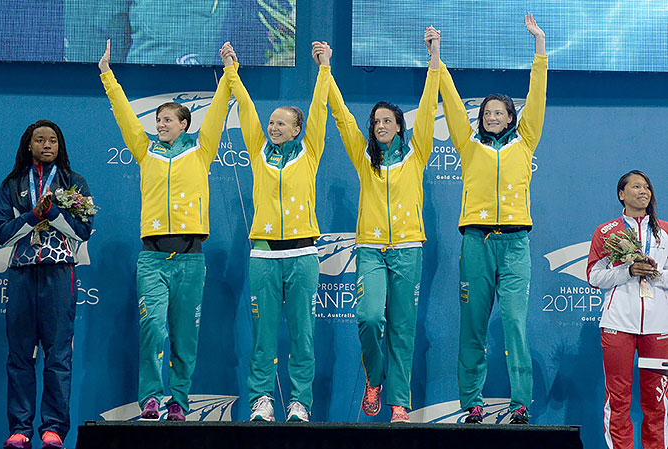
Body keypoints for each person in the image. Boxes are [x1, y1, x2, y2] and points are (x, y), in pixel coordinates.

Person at [98, 39, 231, 421]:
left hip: (190, 260)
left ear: (184, 124)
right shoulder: (145, 150)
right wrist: (108, 75)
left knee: (185, 340)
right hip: (152, 258)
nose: (160, 125)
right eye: (157, 120)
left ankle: (180, 402)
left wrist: (227, 73)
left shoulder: (202, 151)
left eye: (167, 120)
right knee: (153, 329)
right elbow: (125, 115)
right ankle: (152, 398)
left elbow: (220, 112)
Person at [319, 28, 440, 423]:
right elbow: (339, 117)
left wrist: (433, 59)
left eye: (387, 120)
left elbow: (429, 103)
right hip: (370, 249)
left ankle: (399, 403)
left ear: (400, 126)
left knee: (403, 331)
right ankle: (375, 380)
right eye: (375, 121)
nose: (380, 126)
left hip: (407, 250)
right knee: (371, 317)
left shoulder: (417, 153)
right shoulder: (363, 158)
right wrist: (327, 69)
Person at [434, 13, 546, 424]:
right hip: (475, 243)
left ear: (512, 117)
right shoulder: (468, 144)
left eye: (500, 112)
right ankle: (472, 403)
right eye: (487, 112)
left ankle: (520, 404)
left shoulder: (526, 140)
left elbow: (538, 96)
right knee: (473, 327)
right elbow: (448, 97)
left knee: (515, 324)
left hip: (515, 243)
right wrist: (438, 58)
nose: (492, 116)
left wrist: (539, 45)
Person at [219, 41, 331, 423]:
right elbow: (246, 110)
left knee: (303, 336)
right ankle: (262, 400)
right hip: (264, 255)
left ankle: (300, 402)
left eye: (281, 123)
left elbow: (320, 110)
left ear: (297, 129)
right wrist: (232, 70)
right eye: (271, 123)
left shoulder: (309, 151)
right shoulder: (258, 150)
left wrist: (324, 69)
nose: (273, 127)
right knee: (263, 338)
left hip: (302, 256)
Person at [0, 120, 94, 449]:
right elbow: (2, 232)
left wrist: (52, 213)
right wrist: (32, 216)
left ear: (59, 145)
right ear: (29, 145)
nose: (47, 145)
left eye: (52, 140)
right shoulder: (12, 184)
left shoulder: (73, 181)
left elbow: (82, 232)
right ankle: (19, 429)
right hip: (22, 273)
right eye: (40, 140)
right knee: (20, 356)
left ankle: (53, 430)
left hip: (58, 274)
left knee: (58, 356)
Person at [587, 170, 668, 449]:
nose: (643, 191)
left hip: (658, 327)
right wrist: (627, 271)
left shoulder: (666, 231)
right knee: (619, 398)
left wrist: (656, 274)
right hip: (618, 324)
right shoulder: (606, 231)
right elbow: (594, 277)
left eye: (646, 187)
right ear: (622, 194)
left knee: (656, 400)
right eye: (636, 187)